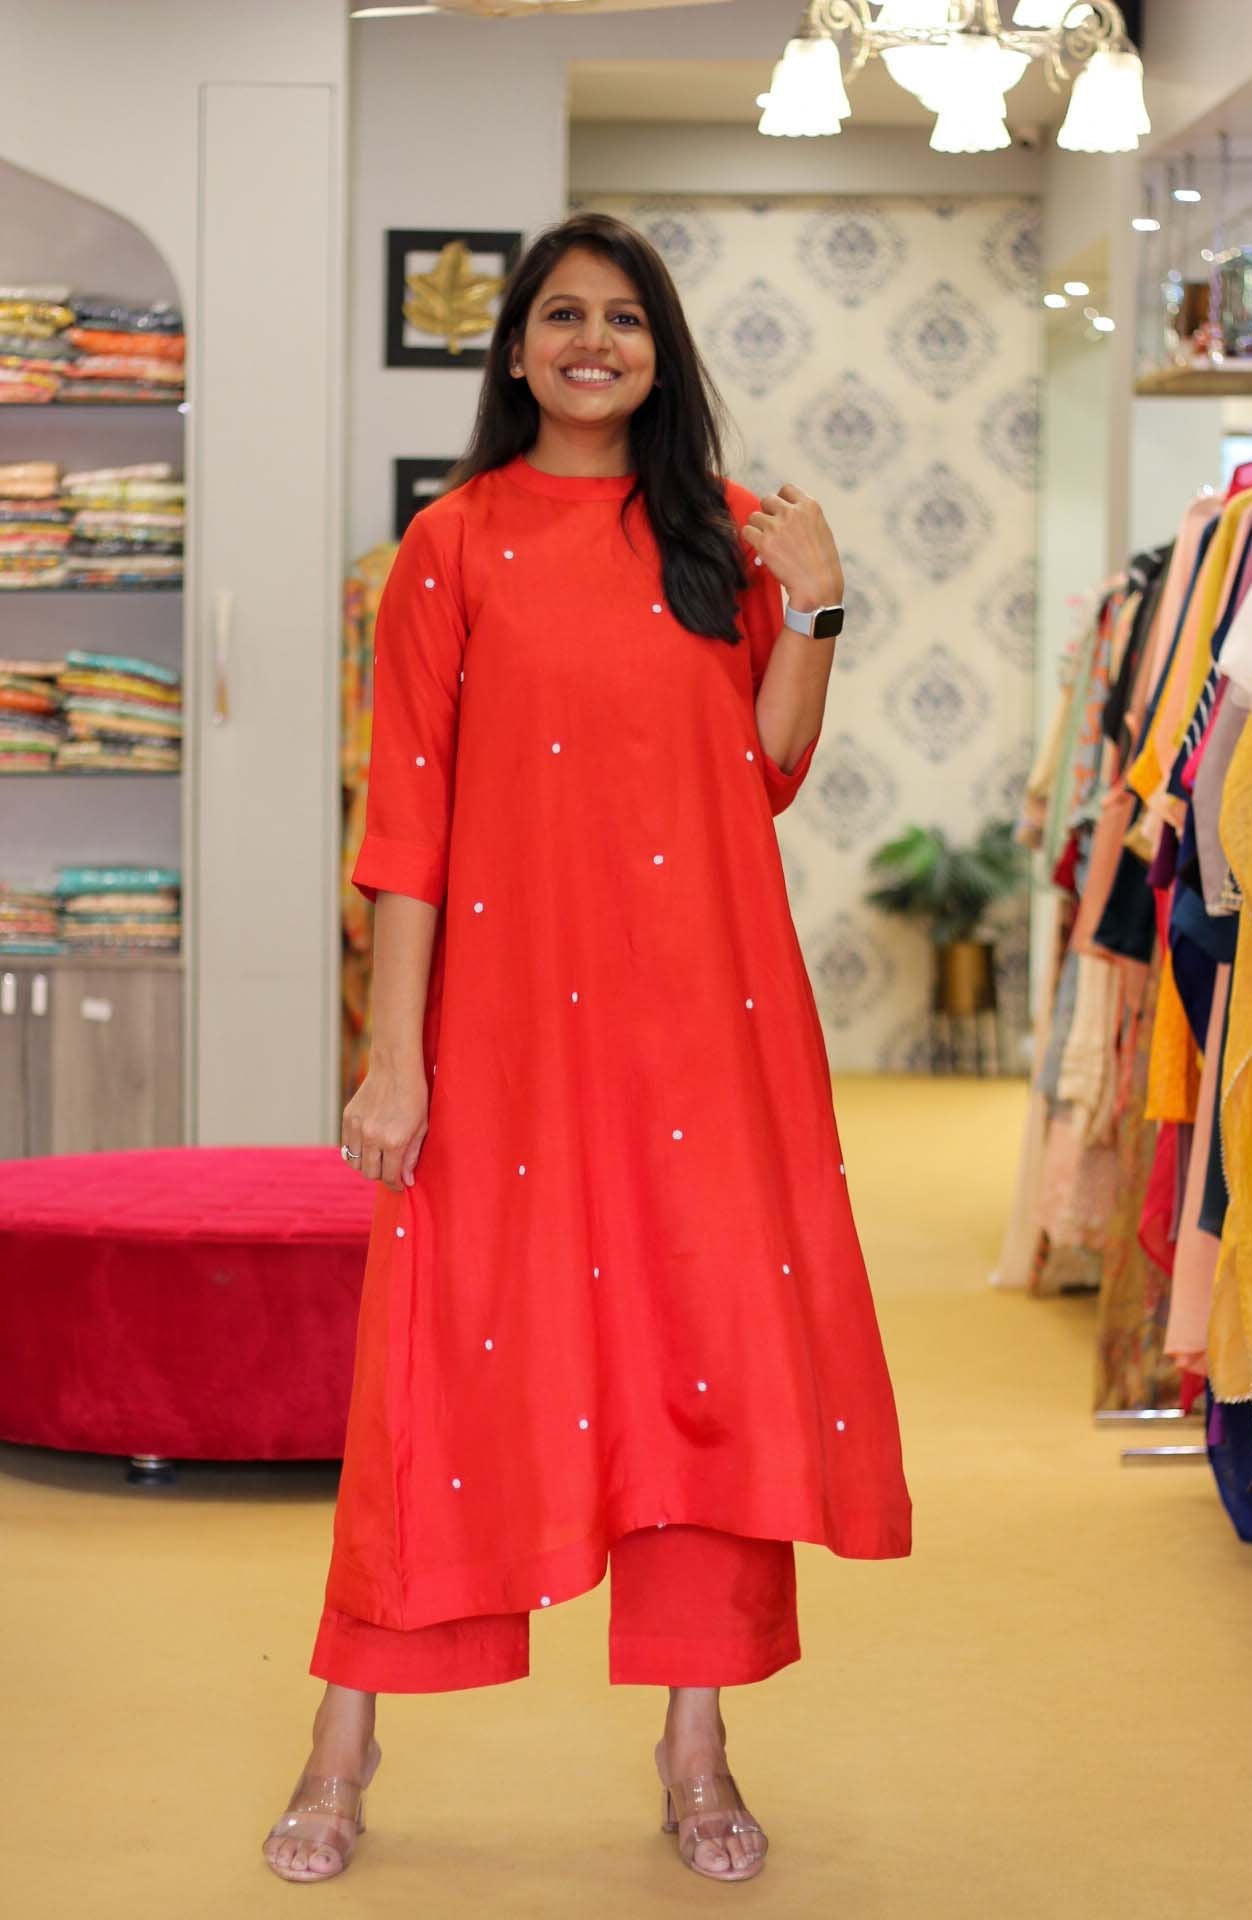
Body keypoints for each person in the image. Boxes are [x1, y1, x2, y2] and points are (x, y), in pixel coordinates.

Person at [262, 210, 912, 1887]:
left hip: (704, 1021)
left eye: (625, 319)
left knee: (705, 1366)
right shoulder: (452, 546)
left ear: (660, 349)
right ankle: (344, 1739)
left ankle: (698, 1749)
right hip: (502, 1033)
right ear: (516, 347)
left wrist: (821, 607)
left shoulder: (722, 534)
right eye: (564, 315)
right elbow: (406, 823)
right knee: (439, 1362)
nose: (593, 343)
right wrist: (392, 1058)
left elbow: (762, 768)